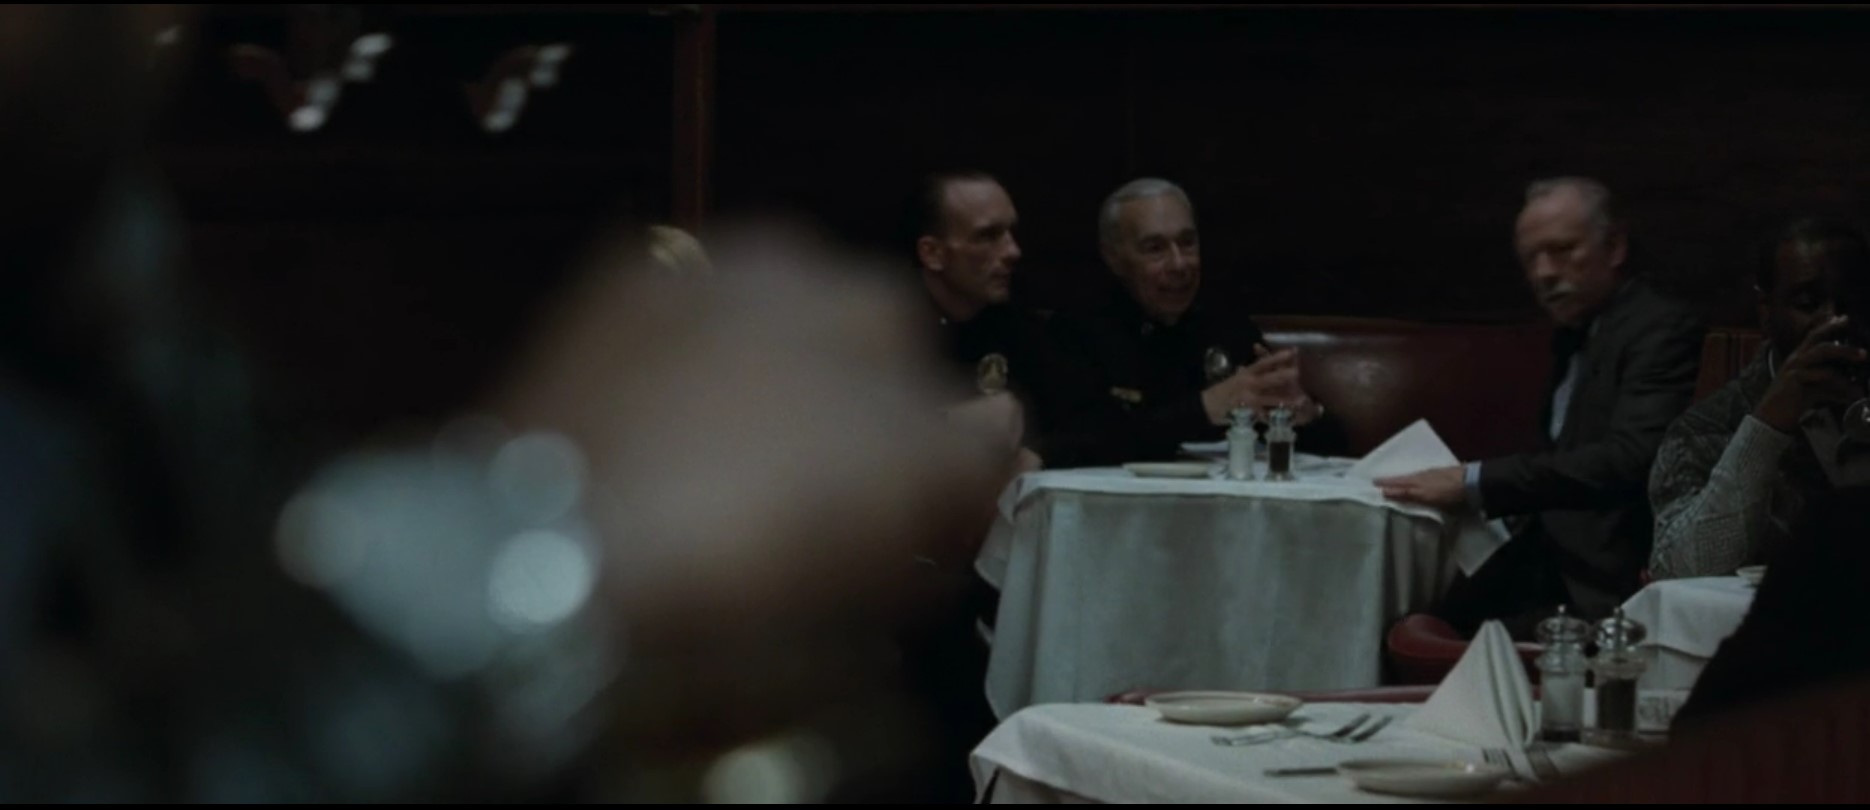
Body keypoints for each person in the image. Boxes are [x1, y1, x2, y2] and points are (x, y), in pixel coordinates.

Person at [1378, 177, 1706, 635]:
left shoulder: (1658, 326)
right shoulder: (1579, 330)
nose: (1543, 273)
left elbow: (1632, 459)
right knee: (1401, 614)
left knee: (1420, 624)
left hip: (1604, 583)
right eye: (1530, 258)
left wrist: (1473, 481)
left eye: (1561, 250)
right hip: (1547, 559)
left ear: (1614, 247)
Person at [1040, 177, 1339, 468]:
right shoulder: (1077, 330)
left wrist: (1305, 414)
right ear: (1114, 258)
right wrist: (1204, 409)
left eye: (1187, 243)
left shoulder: (1222, 320)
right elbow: (1074, 444)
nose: (1179, 263)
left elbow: (1332, 452)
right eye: (1155, 248)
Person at [1648, 218, 1870, 580]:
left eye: (1854, 300)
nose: (1834, 320)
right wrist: (1767, 427)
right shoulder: (1707, 429)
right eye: (1808, 303)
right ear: (1767, 312)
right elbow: (1679, 573)